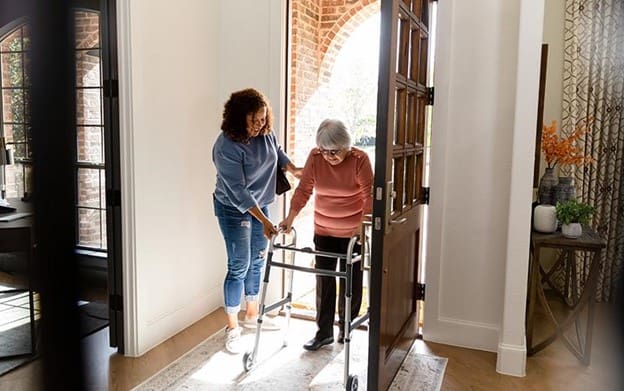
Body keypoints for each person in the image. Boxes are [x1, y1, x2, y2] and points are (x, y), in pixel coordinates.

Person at [212, 88, 301, 353]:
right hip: (232, 207)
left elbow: (277, 152)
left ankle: (251, 314)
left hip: (260, 203)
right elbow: (238, 191)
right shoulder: (226, 146)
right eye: (254, 120)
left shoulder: (265, 133)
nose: (260, 124)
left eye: (263, 119)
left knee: (258, 258)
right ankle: (232, 327)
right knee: (239, 264)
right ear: (239, 118)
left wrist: (293, 168)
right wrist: (263, 220)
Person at [279, 118, 373, 351]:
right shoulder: (316, 157)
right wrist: (290, 218)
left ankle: (346, 329)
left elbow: (369, 194)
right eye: (324, 150)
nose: (329, 156)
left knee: (351, 280)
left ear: (346, 145)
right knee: (324, 280)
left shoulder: (359, 160)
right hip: (324, 230)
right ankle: (323, 333)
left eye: (334, 151)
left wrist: (363, 225)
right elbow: (304, 190)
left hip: (353, 234)